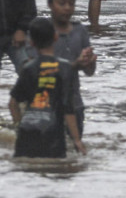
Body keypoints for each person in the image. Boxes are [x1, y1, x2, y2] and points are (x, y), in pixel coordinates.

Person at [8, 17, 85, 158]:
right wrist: (77, 140)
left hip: (27, 132)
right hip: (52, 133)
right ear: (56, 37)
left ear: (31, 43)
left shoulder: (28, 69)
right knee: (54, 171)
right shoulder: (65, 68)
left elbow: (13, 104)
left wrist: (19, 127)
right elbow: (68, 109)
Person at [48, 0, 97, 134]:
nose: (67, 8)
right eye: (62, 3)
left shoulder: (79, 31)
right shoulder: (42, 31)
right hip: (46, 106)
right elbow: (38, 69)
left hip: (74, 104)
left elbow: (89, 72)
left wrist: (89, 63)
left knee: (74, 152)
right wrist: (75, 64)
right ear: (50, 4)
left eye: (71, 4)